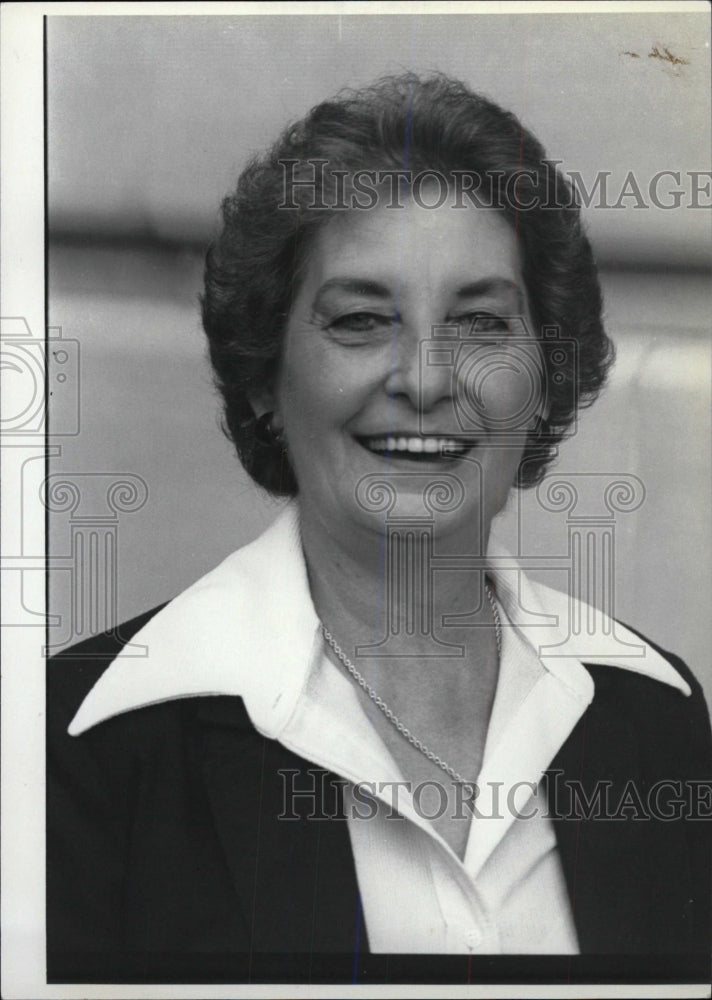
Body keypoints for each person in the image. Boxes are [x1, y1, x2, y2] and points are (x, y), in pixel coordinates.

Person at [47, 73, 710, 982]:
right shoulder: (78, 747)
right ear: (261, 376)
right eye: (362, 320)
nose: (427, 379)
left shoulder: (655, 715)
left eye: (480, 323)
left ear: (543, 379)